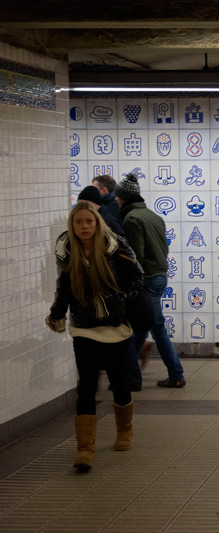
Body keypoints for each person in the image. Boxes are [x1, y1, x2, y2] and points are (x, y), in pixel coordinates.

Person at [46, 203, 143, 472]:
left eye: (89, 221)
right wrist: (57, 312)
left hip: (116, 328)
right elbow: (64, 285)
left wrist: (121, 302)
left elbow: (137, 278)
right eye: (78, 222)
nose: (84, 227)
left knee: (119, 381)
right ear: (72, 225)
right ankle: (85, 448)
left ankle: (125, 431)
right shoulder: (66, 248)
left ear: (97, 223)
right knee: (86, 385)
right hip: (84, 329)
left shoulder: (115, 245)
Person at [115, 172, 187, 388]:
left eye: (118, 197)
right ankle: (129, 372)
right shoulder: (154, 216)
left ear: (125, 198)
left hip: (147, 279)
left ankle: (176, 374)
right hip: (160, 276)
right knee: (142, 325)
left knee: (156, 327)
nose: (116, 201)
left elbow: (135, 255)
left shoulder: (131, 219)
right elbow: (164, 248)